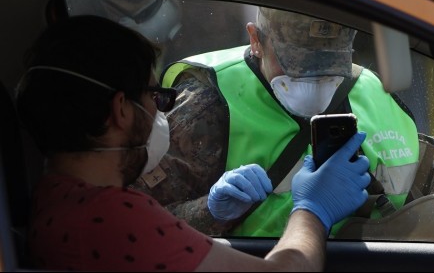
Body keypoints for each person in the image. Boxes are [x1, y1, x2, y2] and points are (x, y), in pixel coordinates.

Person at [15, 15, 371, 271]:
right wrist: (312, 211)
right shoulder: (109, 217)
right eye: (155, 94)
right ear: (121, 109)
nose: (163, 108)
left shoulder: (55, 197)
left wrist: (209, 213)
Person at [132, 7, 422, 237]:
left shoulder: (377, 96)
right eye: (296, 65)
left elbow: (426, 216)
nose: (313, 77)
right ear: (256, 40)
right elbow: (138, 229)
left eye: (329, 64)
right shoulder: (207, 103)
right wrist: (210, 212)